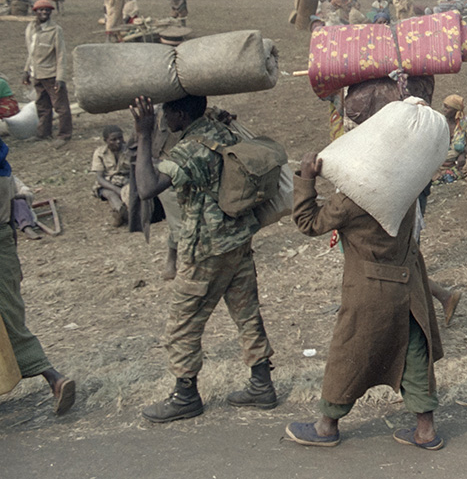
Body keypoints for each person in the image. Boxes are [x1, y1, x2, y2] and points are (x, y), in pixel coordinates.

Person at [284, 151, 445, 448]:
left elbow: (308, 223)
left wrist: (306, 179)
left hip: (370, 290)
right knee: (414, 354)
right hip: (407, 284)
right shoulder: (405, 187)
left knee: (348, 353)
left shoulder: (351, 202)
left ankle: (326, 426)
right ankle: (426, 431)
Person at [130, 94, 276, 423]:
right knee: (247, 314)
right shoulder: (219, 131)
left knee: (182, 325)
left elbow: (146, 187)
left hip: (206, 250)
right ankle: (261, 383)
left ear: (181, 113)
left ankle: (185, 395)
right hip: (237, 240)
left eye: (168, 110)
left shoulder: (190, 149)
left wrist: (143, 134)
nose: (165, 117)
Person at [0, 137, 76, 416]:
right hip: (5, 248)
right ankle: (53, 378)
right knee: (11, 318)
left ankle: (53, 378)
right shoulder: (7, 174)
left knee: (9, 323)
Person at [23, 0, 71, 147]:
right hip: (36, 73)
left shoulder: (55, 30)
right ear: (35, 12)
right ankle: (43, 133)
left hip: (51, 74)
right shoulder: (31, 28)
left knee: (60, 107)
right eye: (41, 10)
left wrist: (60, 78)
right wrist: (26, 71)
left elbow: (61, 55)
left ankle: (64, 134)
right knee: (42, 105)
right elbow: (31, 53)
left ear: (50, 12)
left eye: (47, 10)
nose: (44, 13)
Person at [91, 125, 131, 227]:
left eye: (120, 138)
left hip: (126, 181)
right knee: (111, 195)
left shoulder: (130, 150)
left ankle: (125, 215)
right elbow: (100, 178)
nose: (118, 142)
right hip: (107, 184)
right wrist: (117, 190)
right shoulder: (100, 153)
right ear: (106, 141)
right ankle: (120, 211)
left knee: (130, 195)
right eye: (113, 139)